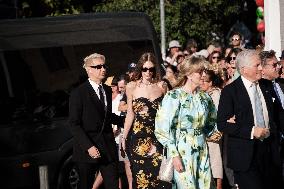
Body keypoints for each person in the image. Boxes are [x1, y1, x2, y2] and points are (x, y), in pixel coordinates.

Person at [155, 55, 222, 189]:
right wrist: (174, 155)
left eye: (204, 71)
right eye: (200, 71)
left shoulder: (204, 98)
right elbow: (162, 129)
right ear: (189, 74)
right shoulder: (174, 96)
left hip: (202, 149)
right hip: (182, 150)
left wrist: (221, 129)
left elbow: (211, 124)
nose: (203, 75)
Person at [217, 49, 281, 189]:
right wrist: (252, 131)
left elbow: (278, 117)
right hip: (245, 156)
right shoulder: (230, 91)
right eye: (257, 65)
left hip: (270, 153)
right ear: (244, 69)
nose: (260, 68)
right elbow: (222, 124)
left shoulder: (267, 86)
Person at [69, 53, 123, 189]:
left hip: (108, 147)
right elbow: (74, 124)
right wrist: (89, 147)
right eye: (98, 66)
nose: (103, 69)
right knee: (86, 185)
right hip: (87, 149)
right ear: (89, 70)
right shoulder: (78, 93)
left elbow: (107, 116)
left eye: (104, 66)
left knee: (113, 184)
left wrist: (131, 120)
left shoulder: (106, 89)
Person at [121, 52, 169, 189]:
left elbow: (166, 114)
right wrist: (124, 137)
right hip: (138, 139)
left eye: (151, 69)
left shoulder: (162, 86)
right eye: (145, 69)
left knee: (159, 179)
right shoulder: (131, 87)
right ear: (140, 69)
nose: (148, 72)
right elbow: (130, 113)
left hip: (158, 137)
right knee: (141, 179)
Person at [259, 50, 284, 187]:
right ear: (262, 69)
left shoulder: (280, 84)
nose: (278, 67)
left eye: (278, 64)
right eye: (274, 65)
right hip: (272, 143)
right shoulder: (260, 89)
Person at [200, 69, 224, 189]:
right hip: (205, 133)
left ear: (210, 83)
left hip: (214, 132)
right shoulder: (203, 94)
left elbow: (218, 114)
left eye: (204, 81)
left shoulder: (216, 94)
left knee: (215, 161)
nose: (201, 83)